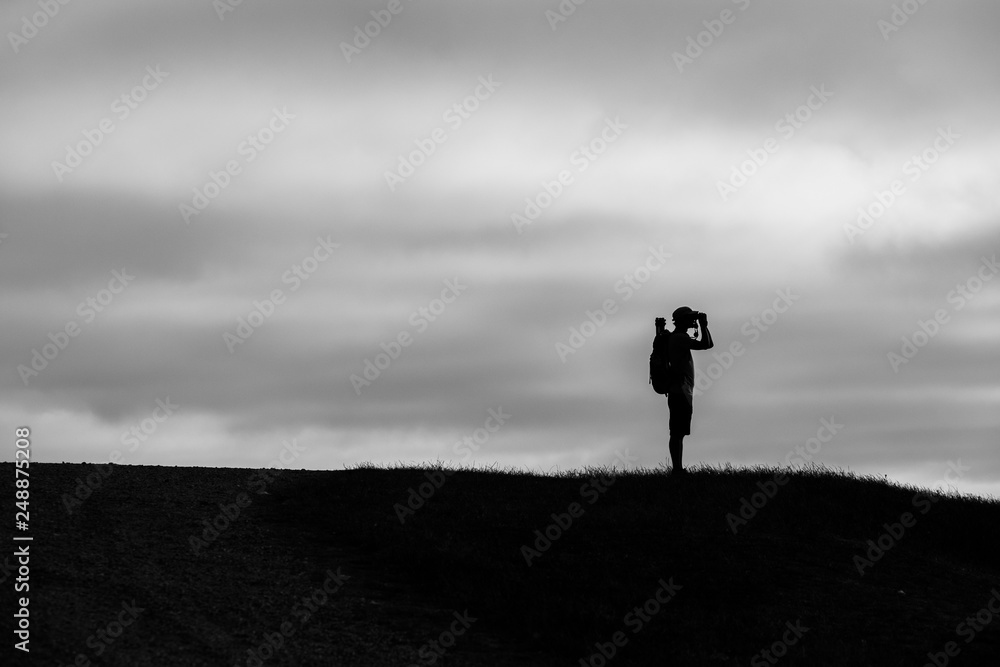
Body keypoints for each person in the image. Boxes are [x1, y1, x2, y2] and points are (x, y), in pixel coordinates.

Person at [653, 306, 713, 474]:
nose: (692, 321)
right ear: (681, 321)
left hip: (679, 390)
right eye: (689, 318)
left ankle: (677, 468)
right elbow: (707, 344)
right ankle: (677, 469)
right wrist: (704, 325)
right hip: (680, 390)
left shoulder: (677, 337)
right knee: (677, 432)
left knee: (678, 432)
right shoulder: (679, 337)